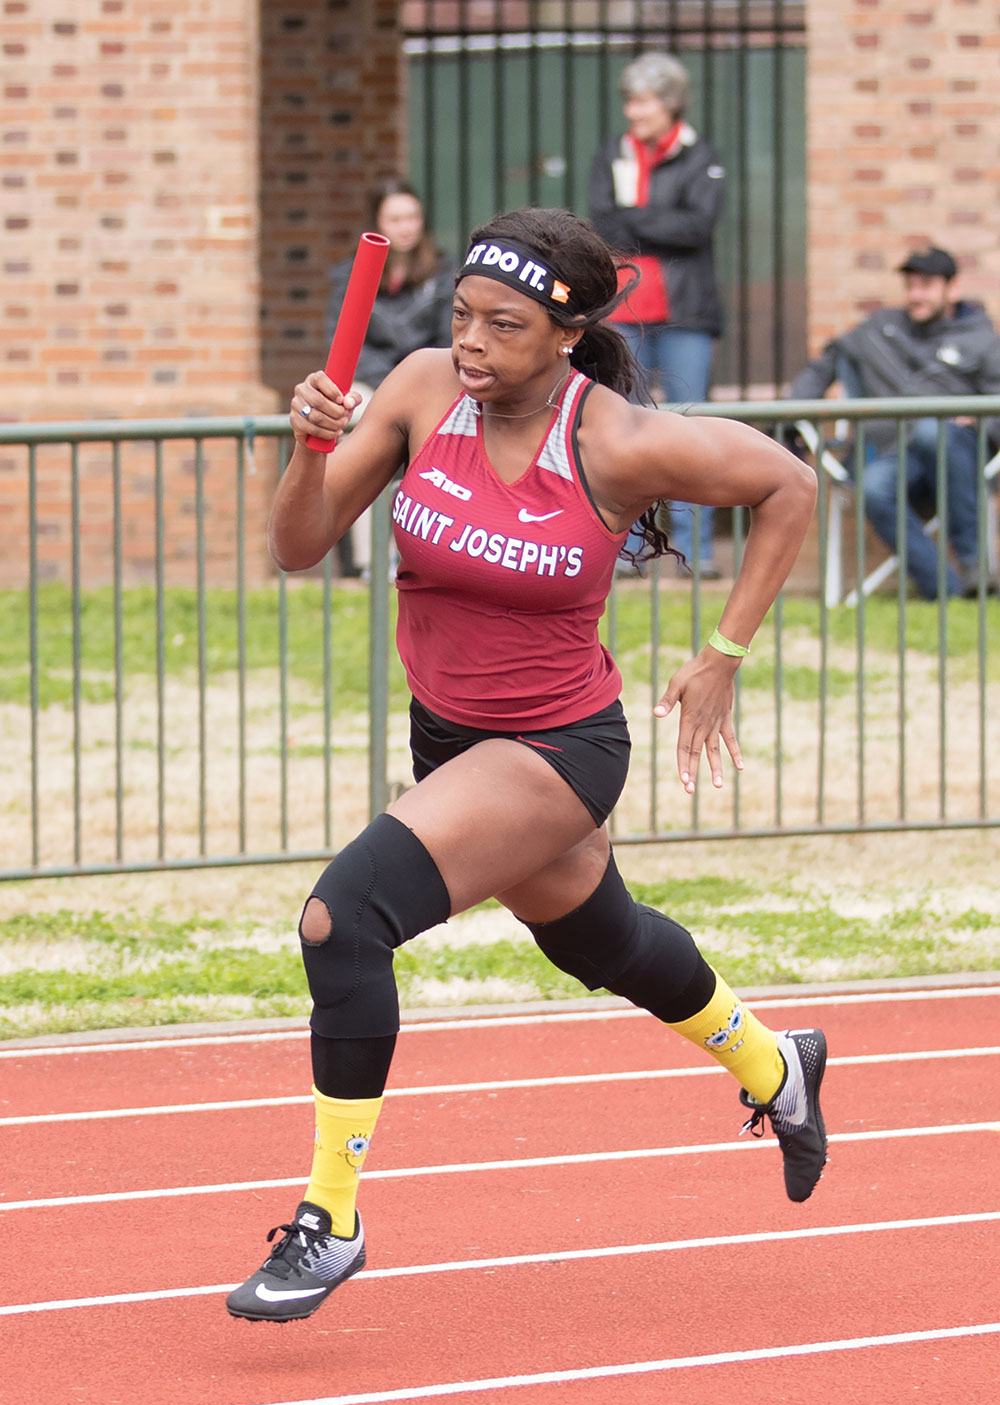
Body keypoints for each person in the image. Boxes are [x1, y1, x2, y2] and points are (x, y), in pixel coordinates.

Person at [226, 206, 825, 1324]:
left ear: (566, 337)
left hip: (557, 748)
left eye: (502, 326)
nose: (470, 342)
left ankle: (329, 1216)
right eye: (460, 315)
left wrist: (722, 654)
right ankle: (775, 1063)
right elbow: (296, 547)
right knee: (600, 941)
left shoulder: (618, 440)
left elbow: (787, 486)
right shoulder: (415, 390)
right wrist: (307, 452)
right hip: (450, 737)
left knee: (340, 919)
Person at [789, 245, 1000, 600]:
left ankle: (975, 562)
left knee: (934, 430)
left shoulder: (982, 340)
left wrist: (981, 423)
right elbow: (825, 363)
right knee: (872, 487)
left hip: (962, 459)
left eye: (926, 285)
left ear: (953, 289)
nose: (915, 295)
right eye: (911, 286)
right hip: (894, 453)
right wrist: (793, 416)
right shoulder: (880, 329)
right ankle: (945, 590)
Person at [588, 50, 726, 576]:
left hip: (686, 315)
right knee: (620, 428)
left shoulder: (701, 156)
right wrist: (653, 222)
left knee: (694, 427)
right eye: (629, 101)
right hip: (623, 316)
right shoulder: (612, 154)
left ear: (669, 104)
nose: (633, 112)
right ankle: (621, 550)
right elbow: (604, 226)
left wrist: (635, 221)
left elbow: (698, 228)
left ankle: (700, 552)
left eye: (642, 101)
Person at [324, 177, 454, 577]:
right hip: (373, 385)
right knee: (357, 423)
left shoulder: (444, 273)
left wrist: (410, 385)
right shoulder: (352, 275)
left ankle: (425, 554)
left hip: (426, 385)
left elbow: (446, 342)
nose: (406, 226)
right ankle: (369, 560)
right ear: (377, 223)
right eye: (395, 218)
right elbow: (346, 344)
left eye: (412, 217)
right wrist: (389, 388)